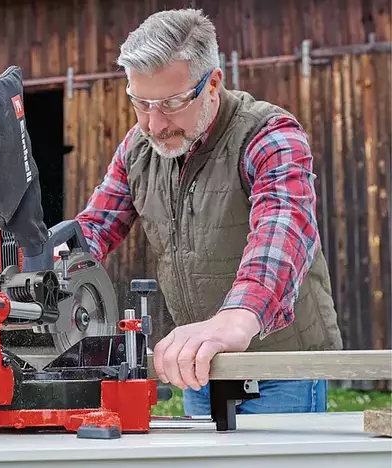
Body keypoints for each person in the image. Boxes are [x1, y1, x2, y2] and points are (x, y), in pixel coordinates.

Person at [73, 8, 343, 416]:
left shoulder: (268, 134)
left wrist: (237, 318)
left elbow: (283, 231)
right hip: (199, 363)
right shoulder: (138, 147)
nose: (154, 123)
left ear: (212, 83)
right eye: (140, 103)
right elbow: (95, 226)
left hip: (279, 364)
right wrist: (50, 270)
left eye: (171, 102)